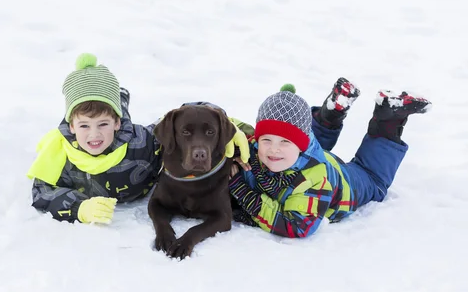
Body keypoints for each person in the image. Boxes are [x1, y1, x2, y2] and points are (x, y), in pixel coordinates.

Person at [27, 53, 249, 225]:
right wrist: (79, 208)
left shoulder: (140, 142)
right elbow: (41, 191)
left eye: (103, 124)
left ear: (117, 122)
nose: (94, 135)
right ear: (72, 126)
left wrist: (230, 125)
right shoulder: (60, 154)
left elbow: (185, 115)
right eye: (84, 125)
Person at [228, 78, 432, 237]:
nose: (273, 149)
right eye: (266, 141)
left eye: (284, 142)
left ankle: (390, 116)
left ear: (301, 144)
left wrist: (240, 188)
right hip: (305, 158)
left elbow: (295, 226)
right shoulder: (253, 142)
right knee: (290, 150)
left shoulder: (313, 181)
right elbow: (212, 118)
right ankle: (331, 112)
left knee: (374, 181)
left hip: (344, 184)